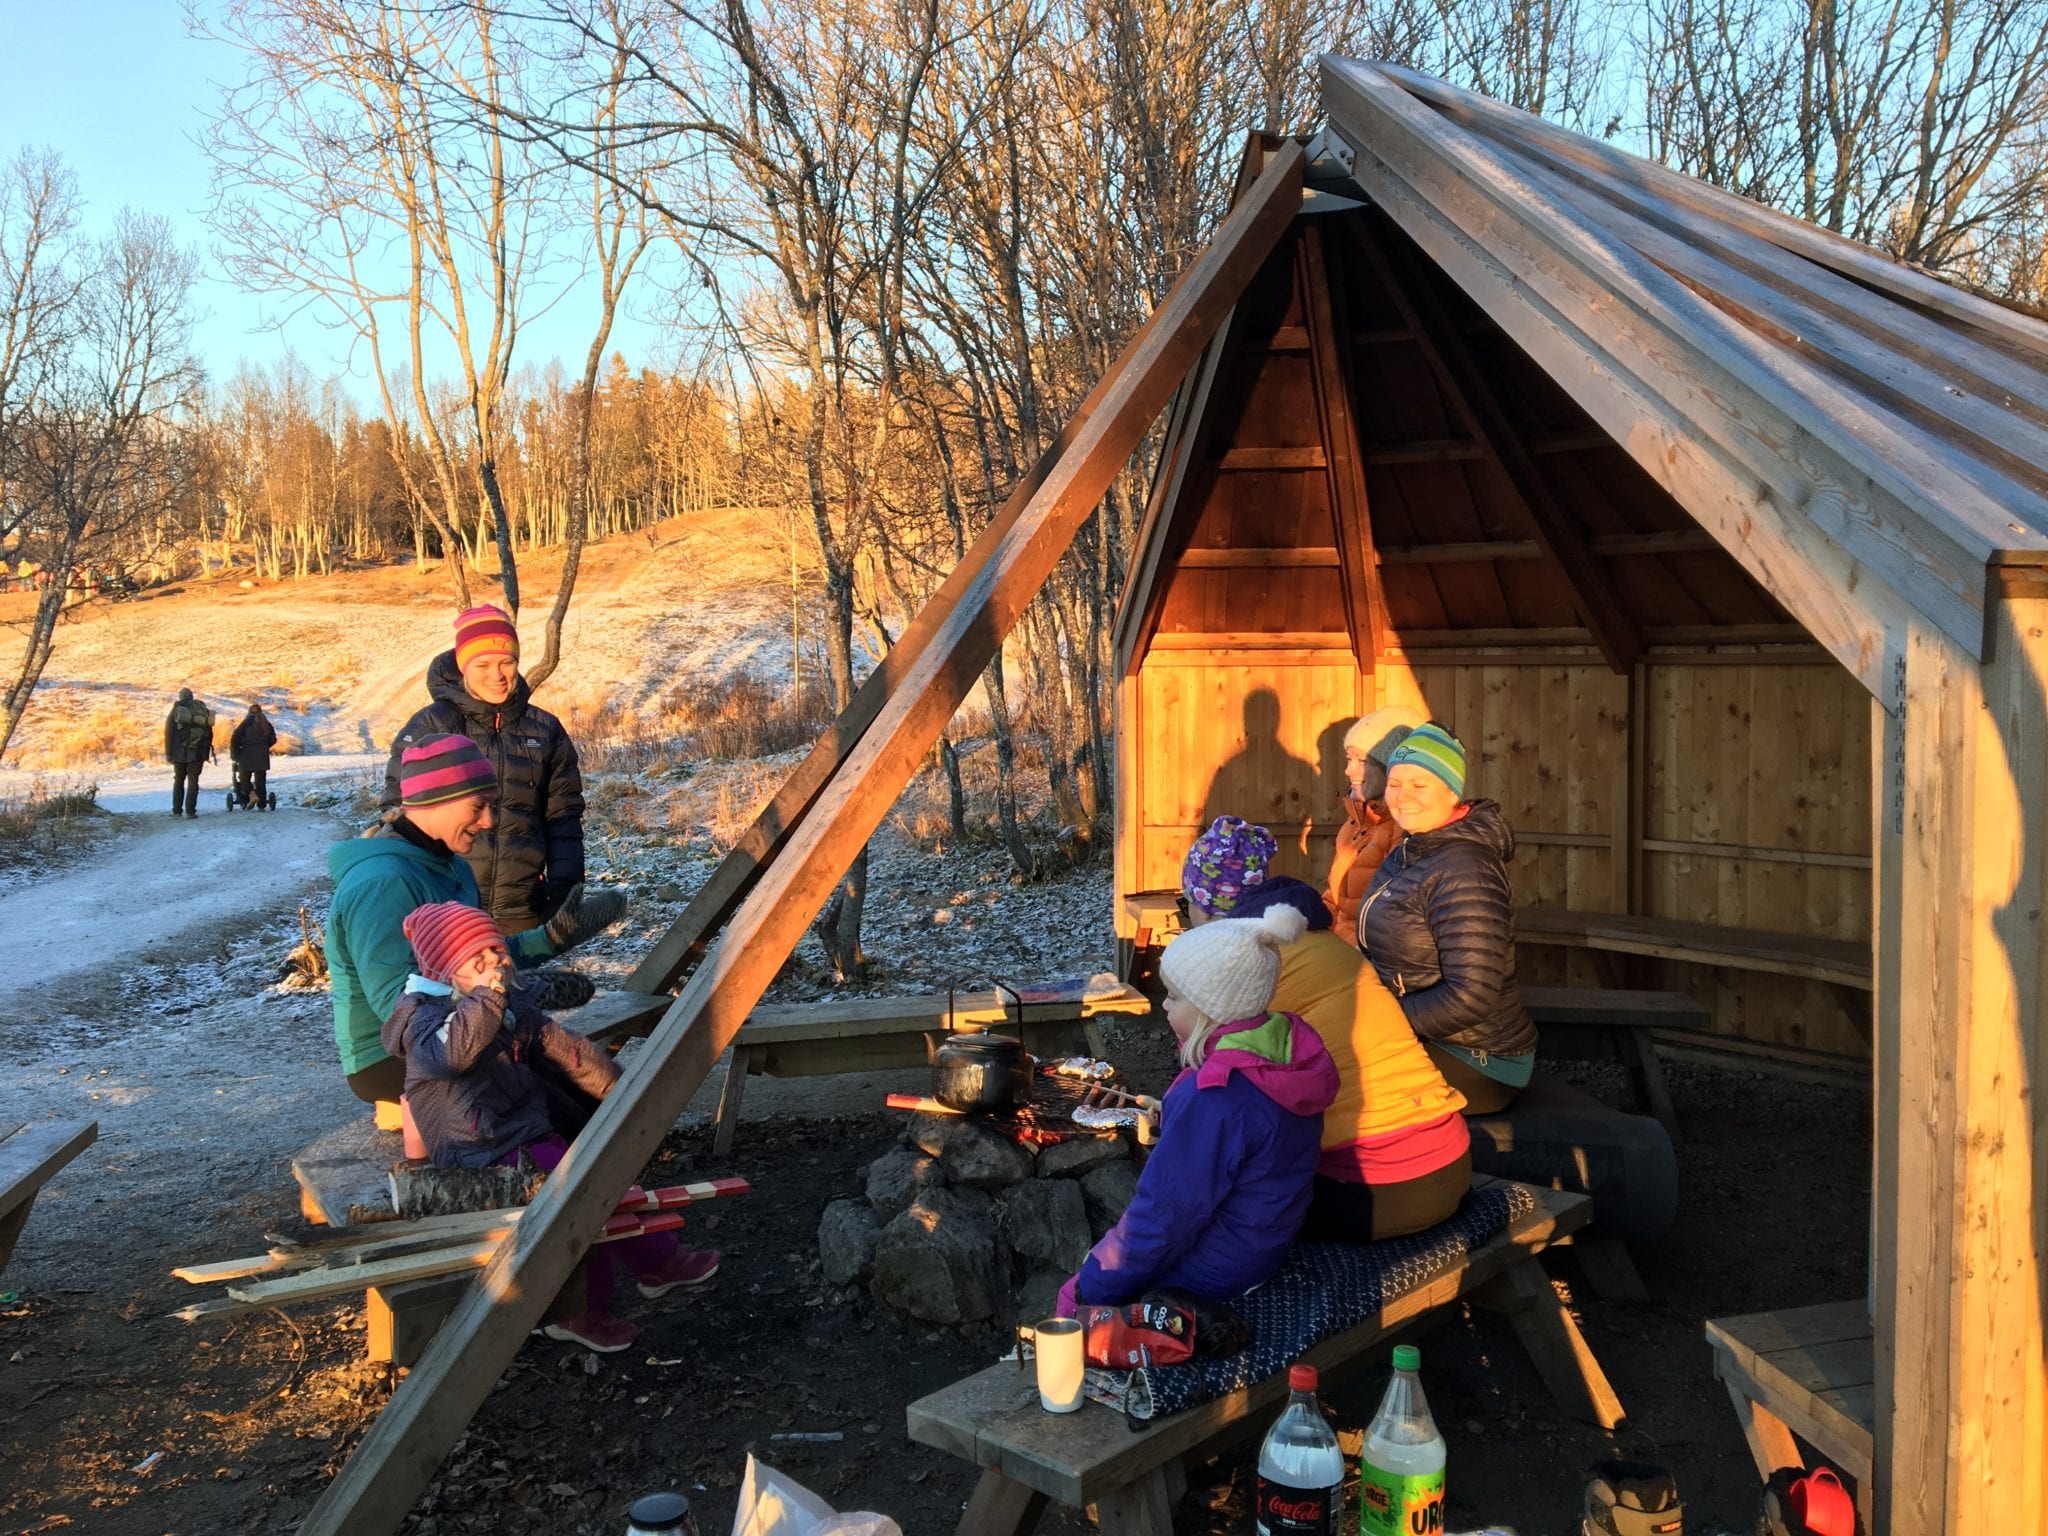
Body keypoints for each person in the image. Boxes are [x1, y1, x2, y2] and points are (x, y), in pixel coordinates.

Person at [383, 901, 718, 1353]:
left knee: (601, 1180)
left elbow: (569, 1053)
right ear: (445, 974)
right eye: (477, 960)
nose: (494, 967)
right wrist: (489, 998)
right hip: (478, 1152)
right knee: (582, 1203)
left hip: (521, 1134)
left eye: (497, 952)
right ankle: (579, 1311)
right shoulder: (427, 1021)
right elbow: (451, 1056)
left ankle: (658, 1262)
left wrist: (625, 1091)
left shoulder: (505, 1007)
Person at [1177, 817, 1474, 1243]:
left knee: (1218, 1203)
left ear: (1203, 906)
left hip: (1377, 1189)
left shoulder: (1241, 967)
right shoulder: (1318, 938)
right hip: (1450, 1156)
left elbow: (1213, 1097)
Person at [1055, 902, 1336, 1315]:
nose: (1164, 1006)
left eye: (1173, 996)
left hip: (1220, 1268)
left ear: (1212, 1010)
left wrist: (1090, 1286)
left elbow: (1167, 1214)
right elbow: (1251, 1140)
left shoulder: (1213, 1095)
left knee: (1086, 1287)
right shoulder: (1285, 1055)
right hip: (1263, 1242)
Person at [328, 734, 627, 1109]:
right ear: (433, 801)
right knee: (551, 1102)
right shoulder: (381, 882)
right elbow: (397, 1006)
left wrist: (551, 938)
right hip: (394, 1053)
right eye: (478, 806)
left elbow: (474, 958)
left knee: (586, 1082)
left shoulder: (450, 866)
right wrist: (503, 996)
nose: (488, 820)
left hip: (460, 1028)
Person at [1357, 723, 1538, 1114]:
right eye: (1395, 782)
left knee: (1328, 1091)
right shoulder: (1413, 849)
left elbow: (1470, 996)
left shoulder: (1464, 867)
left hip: (1476, 1055)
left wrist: (1379, 1022)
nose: (1402, 796)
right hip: (1422, 1033)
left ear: (1452, 792)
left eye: (1419, 785)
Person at [383, 604, 586, 935]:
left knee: (521, 986)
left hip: (522, 907)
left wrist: (564, 889)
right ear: (463, 666)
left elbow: (563, 818)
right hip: (446, 905)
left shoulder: (545, 729)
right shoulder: (430, 726)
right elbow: (397, 814)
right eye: (483, 664)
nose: (498, 674)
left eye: (508, 662)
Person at [1324, 705, 1426, 940]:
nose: (1348, 770)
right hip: (1341, 949)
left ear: (1393, 768)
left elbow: (1393, 921)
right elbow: (1335, 900)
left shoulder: (1406, 832)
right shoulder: (1355, 824)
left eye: (1361, 761)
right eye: (1349, 759)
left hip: (1367, 963)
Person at [164, 688, 214, 818]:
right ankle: (191, 811)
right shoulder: (201, 710)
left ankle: (177, 811)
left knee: (179, 780)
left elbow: (169, 733)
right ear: (192, 697)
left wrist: (168, 753)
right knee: (193, 780)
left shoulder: (177, 709)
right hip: (197, 752)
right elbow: (209, 733)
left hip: (179, 752)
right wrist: (206, 752)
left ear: (180, 697)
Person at [230, 701, 278, 810]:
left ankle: (252, 795)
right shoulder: (266, 723)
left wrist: (236, 750)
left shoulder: (246, 723)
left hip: (246, 754)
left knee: (243, 778)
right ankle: (261, 805)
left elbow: (235, 738)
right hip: (262, 756)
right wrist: (264, 746)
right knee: (260, 781)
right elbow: (273, 739)